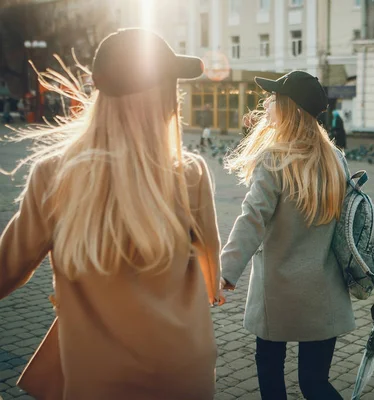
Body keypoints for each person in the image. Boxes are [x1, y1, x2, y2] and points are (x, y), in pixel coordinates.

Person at [0, 28, 223, 399]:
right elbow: (209, 274)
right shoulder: (190, 171)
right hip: (188, 374)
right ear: (167, 99)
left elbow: (8, 268)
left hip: (101, 382)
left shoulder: (55, 174)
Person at [219, 70, 374, 400]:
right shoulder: (335, 158)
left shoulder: (274, 159)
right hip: (324, 293)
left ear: (290, 108)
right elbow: (358, 215)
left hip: (277, 294)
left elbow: (252, 219)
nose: (269, 104)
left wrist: (226, 270)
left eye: (275, 99)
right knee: (314, 382)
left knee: (271, 373)